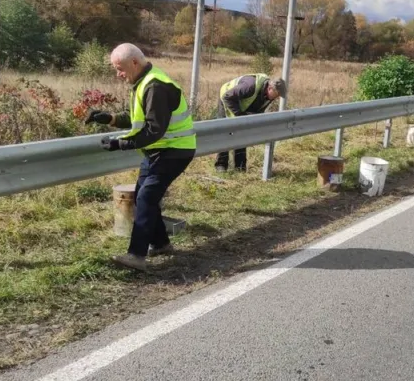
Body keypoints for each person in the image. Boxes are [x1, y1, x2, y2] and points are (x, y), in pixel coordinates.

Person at [84, 43, 196, 271]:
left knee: (146, 197)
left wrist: (120, 143)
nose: (118, 74)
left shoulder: (156, 86)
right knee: (143, 198)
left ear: (134, 62)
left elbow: (153, 130)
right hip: (158, 151)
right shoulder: (144, 82)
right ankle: (162, 243)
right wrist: (110, 119)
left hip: (174, 151)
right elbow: (138, 119)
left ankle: (136, 255)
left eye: (120, 69)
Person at [214, 73, 286, 172]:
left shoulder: (268, 95)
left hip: (241, 105)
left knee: (242, 134)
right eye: (277, 94)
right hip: (227, 99)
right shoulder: (250, 86)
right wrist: (240, 115)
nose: (277, 98)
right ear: (270, 88)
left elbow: (258, 110)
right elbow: (227, 97)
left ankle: (240, 167)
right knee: (225, 132)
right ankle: (221, 165)